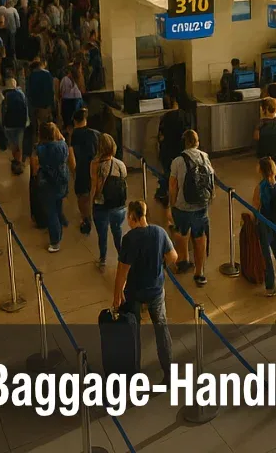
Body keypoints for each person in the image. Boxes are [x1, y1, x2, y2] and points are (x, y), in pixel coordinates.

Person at [112, 200, 176, 384]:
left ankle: (134, 374)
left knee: (134, 332)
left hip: (135, 293)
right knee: (161, 329)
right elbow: (173, 256)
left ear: (133, 217)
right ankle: (169, 373)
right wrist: (160, 267)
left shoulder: (130, 239)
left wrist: (117, 295)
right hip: (156, 290)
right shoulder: (159, 232)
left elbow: (122, 270)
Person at [168, 129, 213, 286]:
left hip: (183, 205)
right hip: (201, 204)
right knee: (200, 238)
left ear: (185, 142)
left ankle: (183, 261)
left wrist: (172, 204)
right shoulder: (204, 157)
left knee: (181, 233)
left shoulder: (178, 161)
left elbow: (173, 186)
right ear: (197, 142)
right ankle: (200, 272)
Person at [248, 157, 276, 296]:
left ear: (261, 170)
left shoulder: (261, 187)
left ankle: (270, 286)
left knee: (266, 255)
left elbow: (255, 207)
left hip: (265, 223)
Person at [89, 133, 128, 268]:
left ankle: (103, 259)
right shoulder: (120, 164)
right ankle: (123, 259)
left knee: (102, 234)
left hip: (101, 204)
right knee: (117, 232)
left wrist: (90, 204)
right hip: (118, 204)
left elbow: (95, 186)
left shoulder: (95, 164)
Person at [32, 121, 70, 253]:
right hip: (62, 179)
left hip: (48, 182)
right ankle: (61, 224)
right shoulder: (63, 145)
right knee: (58, 205)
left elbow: (37, 164)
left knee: (51, 212)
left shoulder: (42, 149)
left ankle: (55, 241)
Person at [68, 108, 101, 236]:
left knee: (82, 195)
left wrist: (73, 170)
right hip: (95, 167)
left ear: (75, 121)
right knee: (94, 191)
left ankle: (86, 218)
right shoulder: (95, 134)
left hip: (82, 168)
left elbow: (71, 156)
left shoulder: (74, 136)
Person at [1, 78, 30, 175]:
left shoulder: (5, 96)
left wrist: (3, 124)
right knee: (19, 144)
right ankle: (19, 163)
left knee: (13, 144)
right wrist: (26, 122)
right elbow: (26, 109)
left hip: (8, 125)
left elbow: (2, 112)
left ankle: (15, 161)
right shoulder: (21, 94)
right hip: (20, 124)